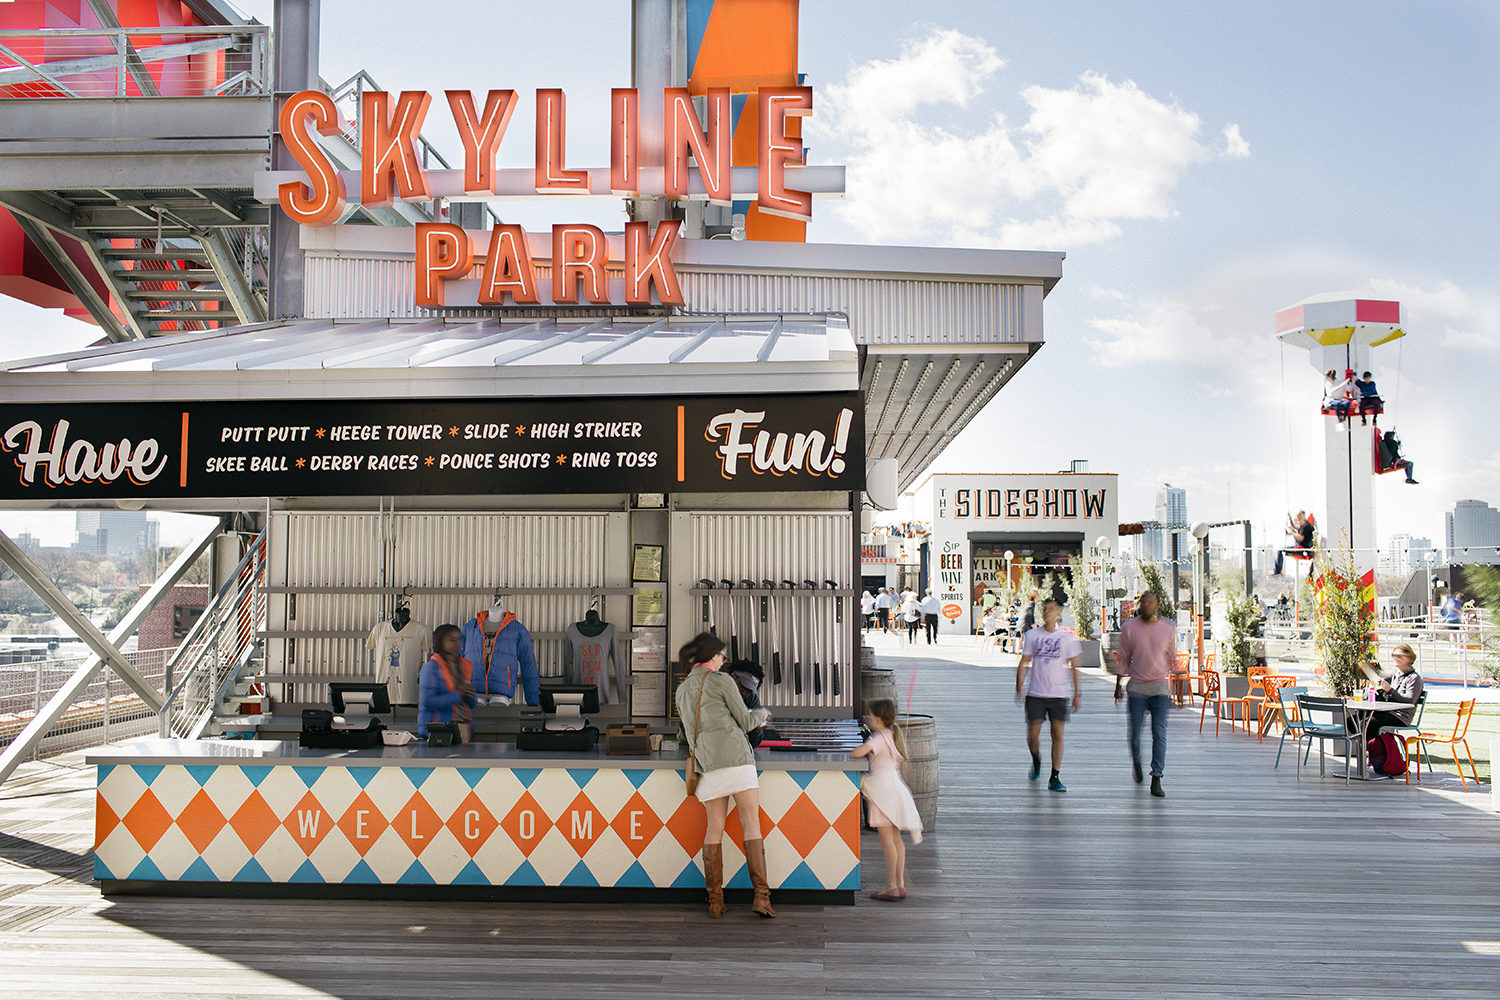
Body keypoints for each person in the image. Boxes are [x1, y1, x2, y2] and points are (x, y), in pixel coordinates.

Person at [674, 633, 773, 918]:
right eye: (722, 655)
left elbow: (686, 731)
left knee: (713, 829)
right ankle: (762, 898)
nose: (724, 660)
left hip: (708, 765)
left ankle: (715, 901)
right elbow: (744, 720)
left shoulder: (682, 690)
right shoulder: (722, 681)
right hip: (737, 760)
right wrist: (762, 715)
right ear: (713, 656)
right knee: (750, 824)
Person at [851, 698, 922, 901]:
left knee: (887, 842)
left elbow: (858, 753)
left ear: (879, 719)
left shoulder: (878, 738)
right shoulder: (893, 735)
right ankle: (899, 885)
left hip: (882, 792)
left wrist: (850, 752)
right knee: (896, 840)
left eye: (869, 716)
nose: (867, 719)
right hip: (896, 790)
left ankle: (890, 885)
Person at [1015, 597, 1083, 792]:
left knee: (1057, 734)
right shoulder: (1032, 635)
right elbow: (1024, 660)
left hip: (1059, 693)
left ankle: (1055, 776)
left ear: (1059, 612)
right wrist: (1019, 684)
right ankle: (1036, 759)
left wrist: (1078, 693)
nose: (1047, 612)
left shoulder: (1066, 638)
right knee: (1033, 735)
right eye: (1045, 609)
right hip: (1036, 692)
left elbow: (1075, 666)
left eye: (1051, 609)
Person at [1113, 591, 1177, 797]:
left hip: (1159, 688)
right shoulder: (1129, 629)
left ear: (1157, 605)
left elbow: (1172, 657)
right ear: (1139, 606)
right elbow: (1123, 657)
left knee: (1160, 734)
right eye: (1143, 603)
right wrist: (1118, 683)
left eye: (1151, 602)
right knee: (1135, 734)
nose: (1147, 606)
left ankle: (1156, 777)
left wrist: (1175, 689)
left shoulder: (1168, 629)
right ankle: (1137, 759)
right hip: (1137, 688)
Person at [417, 624, 476, 741]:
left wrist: (471, 694)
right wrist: (459, 694)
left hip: (463, 727)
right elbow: (429, 701)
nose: (457, 643)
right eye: (451, 640)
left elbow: (471, 704)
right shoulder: (431, 667)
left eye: (459, 639)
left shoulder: (464, 666)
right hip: (439, 729)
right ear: (440, 641)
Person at [1362, 643, 1424, 735]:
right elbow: (1379, 677)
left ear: (1409, 659)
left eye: (1399, 656)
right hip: (1388, 712)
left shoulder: (1414, 678)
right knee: (1354, 721)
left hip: (1401, 716)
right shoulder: (1396, 674)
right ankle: (1365, 747)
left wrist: (1390, 690)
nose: (1395, 658)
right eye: (1394, 655)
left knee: (1367, 724)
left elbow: (1411, 700)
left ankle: (1377, 748)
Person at [1273, 511, 1315, 576]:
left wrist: (1291, 532)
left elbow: (1301, 537)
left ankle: (1278, 571)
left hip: (1301, 550)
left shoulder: (1306, 525)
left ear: (1302, 515)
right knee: (1280, 551)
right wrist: (1290, 519)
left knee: (1280, 551)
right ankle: (1278, 570)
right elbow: (1296, 528)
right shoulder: (1303, 525)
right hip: (1300, 548)